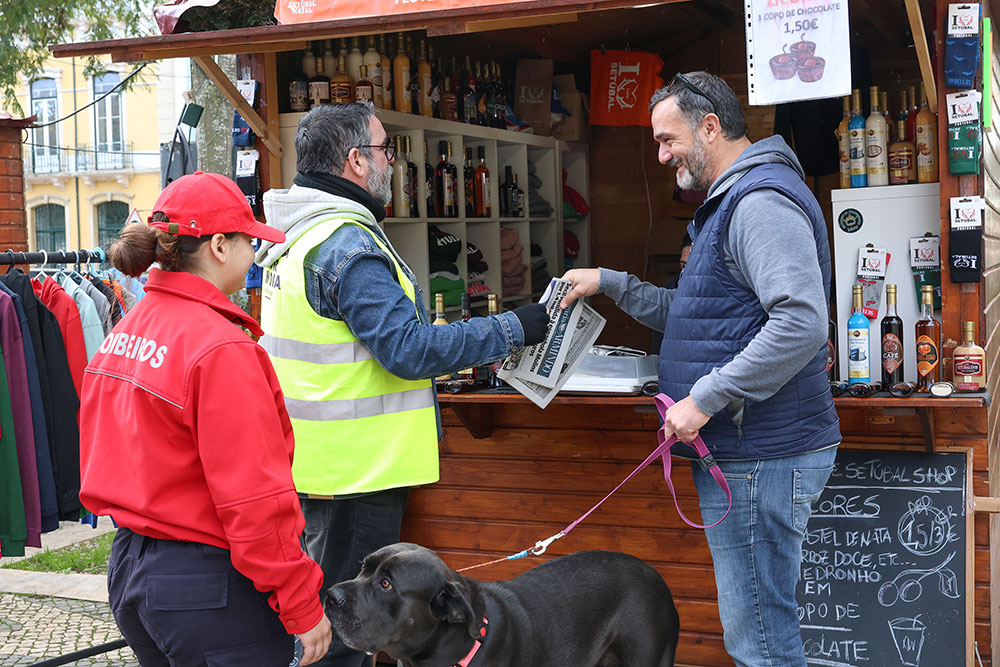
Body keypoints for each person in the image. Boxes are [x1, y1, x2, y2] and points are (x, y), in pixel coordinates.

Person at [560, 72, 841, 667]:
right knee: (759, 633)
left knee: (760, 640)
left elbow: (802, 323)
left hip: (760, 453)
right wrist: (608, 282)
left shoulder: (759, 203)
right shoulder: (729, 203)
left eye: (668, 140)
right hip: (747, 451)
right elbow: (693, 316)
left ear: (710, 127)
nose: (662, 156)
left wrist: (706, 397)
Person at [254, 102, 548, 667]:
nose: (395, 161)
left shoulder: (298, 237)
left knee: (326, 622)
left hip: (319, 464)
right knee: (346, 634)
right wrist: (513, 328)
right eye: (387, 149)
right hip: (359, 472)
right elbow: (409, 350)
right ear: (357, 161)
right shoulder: (347, 246)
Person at [78, 171, 333, 666]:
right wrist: (301, 603)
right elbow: (256, 499)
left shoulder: (128, 329)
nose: (253, 254)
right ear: (219, 245)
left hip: (134, 570)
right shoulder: (221, 348)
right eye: (247, 241)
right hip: (206, 586)